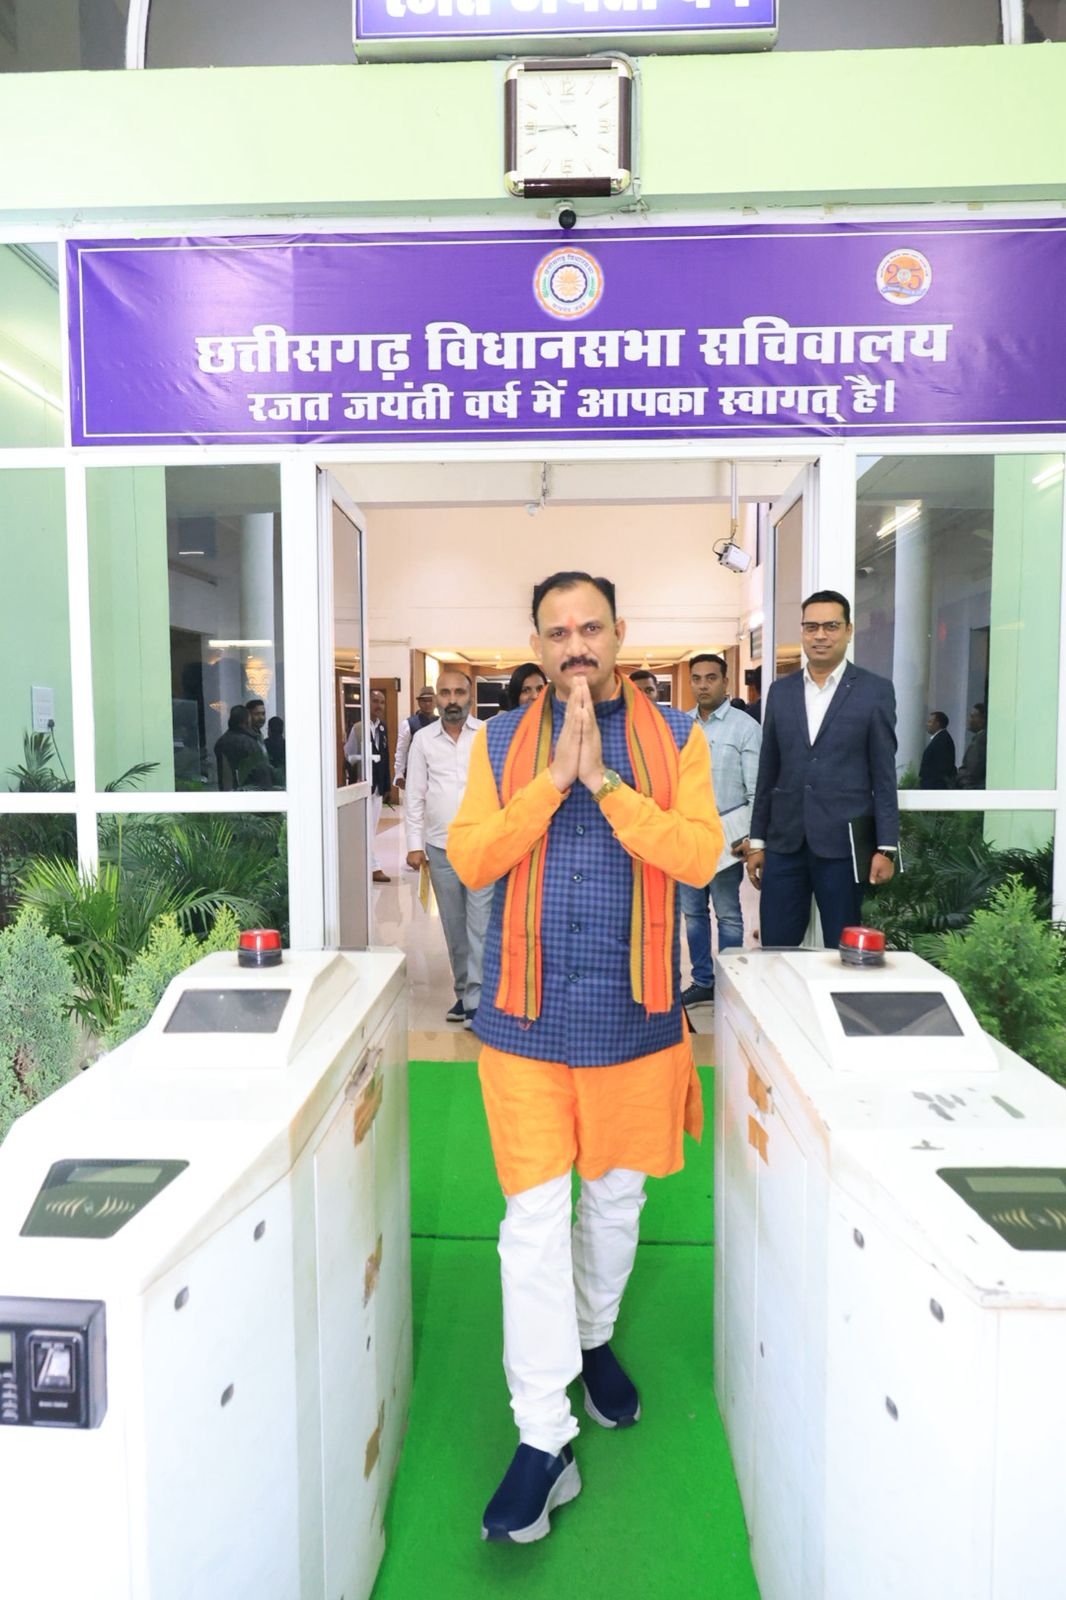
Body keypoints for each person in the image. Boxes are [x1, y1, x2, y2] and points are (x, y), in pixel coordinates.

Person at [448, 570, 722, 1544]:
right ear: (536, 643)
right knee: (530, 1225)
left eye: (590, 627)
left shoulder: (678, 739)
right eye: (557, 630)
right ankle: (543, 1434)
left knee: (611, 1206)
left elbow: (698, 856)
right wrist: (552, 782)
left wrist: (605, 784)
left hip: (632, 1018)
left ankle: (595, 1335)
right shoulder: (497, 744)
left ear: (618, 633)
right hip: (522, 1023)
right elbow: (472, 857)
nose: (575, 644)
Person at [746, 589, 898, 949]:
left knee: (841, 950)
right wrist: (757, 841)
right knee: (776, 948)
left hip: (843, 846)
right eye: (811, 627)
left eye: (831, 626)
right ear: (802, 631)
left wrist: (886, 847)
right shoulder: (780, 692)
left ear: (848, 630)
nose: (820, 635)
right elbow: (768, 771)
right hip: (785, 843)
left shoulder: (874, 691)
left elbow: (883, 774)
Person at [405, 670, 494, 1026]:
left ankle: (477, 1001)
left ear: (470, 696)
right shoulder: (423, 740)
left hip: (482, 845)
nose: (452, 699)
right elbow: (414, 794)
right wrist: (414, 845)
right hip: (441, 847)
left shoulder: (487, 734)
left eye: (459, 692)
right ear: (436, 698)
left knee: (481, 925)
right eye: (445, 693)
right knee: (454, 927)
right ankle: (464, 993)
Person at [680, 653, 762, 1008]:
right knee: (693, 914)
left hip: (728, 840)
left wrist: (753, 839)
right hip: (687, 838)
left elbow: (756, 791)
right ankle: (702, 981)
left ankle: (730, 986)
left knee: (728, 914)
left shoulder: (746, 728)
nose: (703, 685)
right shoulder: (681, 726)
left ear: (725, 682)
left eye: (711, 678)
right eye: (697, 678)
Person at [346, 688, 392, 882]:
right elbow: (349, 755)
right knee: (365, 828)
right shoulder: (358, 728)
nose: (378, 706)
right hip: (363, 785)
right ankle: (373, 867)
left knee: (372, 829)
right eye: (375, 701)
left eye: (382, 702)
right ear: (366, 703)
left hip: (378, 786)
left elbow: (385, 756)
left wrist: (387, 785)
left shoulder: (382, 727)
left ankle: (367, 865)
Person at [214, 704, 272, 791]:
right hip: (251, 791)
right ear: (245, 721)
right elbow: (262, 773)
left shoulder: (221, 742)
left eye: (263, 713)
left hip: (228, 791)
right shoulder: (250, 743)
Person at [393, 687, 438, 790]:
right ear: (419, 702)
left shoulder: (441, 723)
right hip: (415, 774)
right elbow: (401, 751)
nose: (428, 704)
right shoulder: (408, 724)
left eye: (430, 700)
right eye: (424, 701)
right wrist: (399, 774)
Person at [919, 710, 956, 789]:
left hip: (935, 786)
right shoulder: (941, 738)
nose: (927, 724)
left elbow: (940, 767)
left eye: (930, 722)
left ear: (937, 724)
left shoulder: (942, 740)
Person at [956, 702, 987, 790]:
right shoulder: (979, 739)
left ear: (983, 719)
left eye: (973, 716)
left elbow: (972, 772)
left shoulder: (980, 741)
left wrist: (960, 780)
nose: (969, 720)